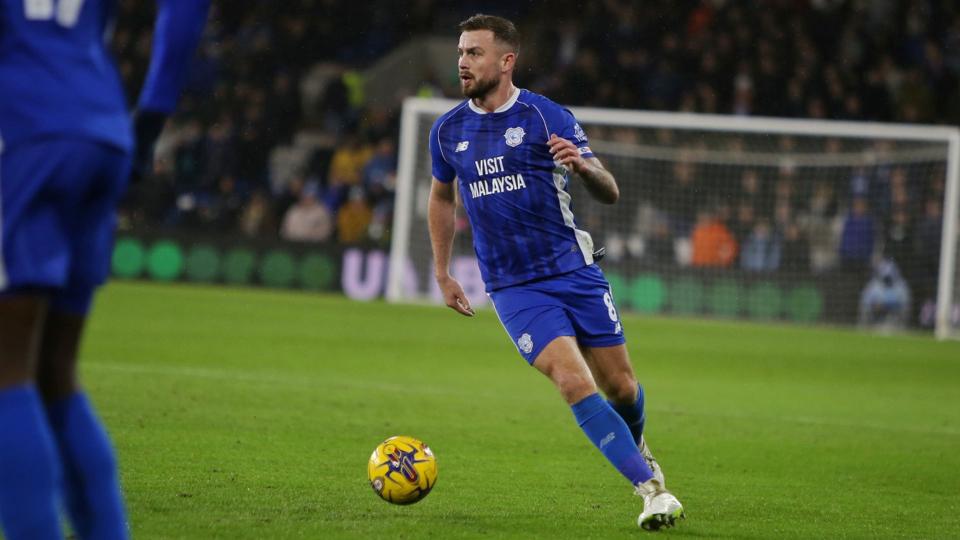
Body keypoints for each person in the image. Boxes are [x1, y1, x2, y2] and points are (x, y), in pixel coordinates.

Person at [427, 14, 683, 531]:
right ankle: (652, 490)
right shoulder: (447, 129)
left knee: (623, 389)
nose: (462, 61)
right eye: (461, 51)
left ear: (506, 60)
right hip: (513, 288)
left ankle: (638, 453)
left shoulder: (547, 118)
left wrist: (585, 168)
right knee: (571, 380)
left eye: (474, 52)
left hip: (574, 271)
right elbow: (439, 197)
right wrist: (442, 271)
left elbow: (609, 189)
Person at [0, 1, 210, 538]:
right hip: (103, 128)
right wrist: (153, 113)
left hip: (23, 131)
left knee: (7, 368)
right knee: (55, 371)